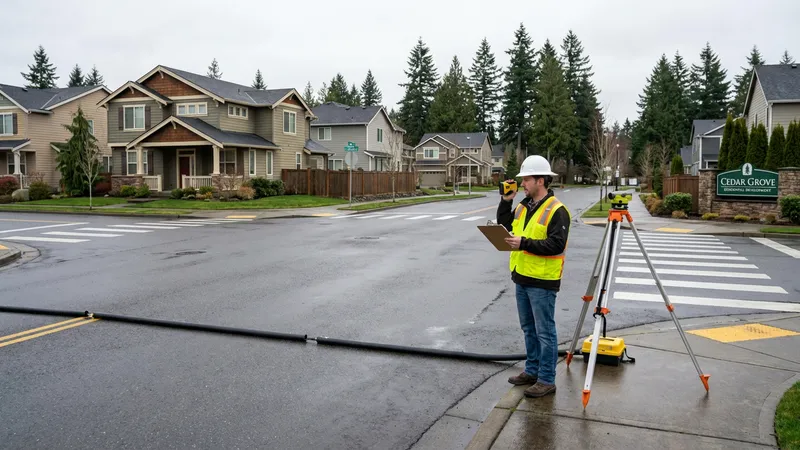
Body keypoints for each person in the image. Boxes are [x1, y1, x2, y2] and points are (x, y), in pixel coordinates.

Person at [496, 155, 571, 398]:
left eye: (526, 179)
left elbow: (556, 244)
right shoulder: (523, 206)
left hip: (542, 281)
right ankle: (531, 370)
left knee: (545, 332)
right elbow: (505, 226)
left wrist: (524, 243)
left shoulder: (557, 211)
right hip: (521, 276)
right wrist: (505, 201)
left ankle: (547, 379)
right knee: (529, 328)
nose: (523, 184)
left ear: (541, 180)